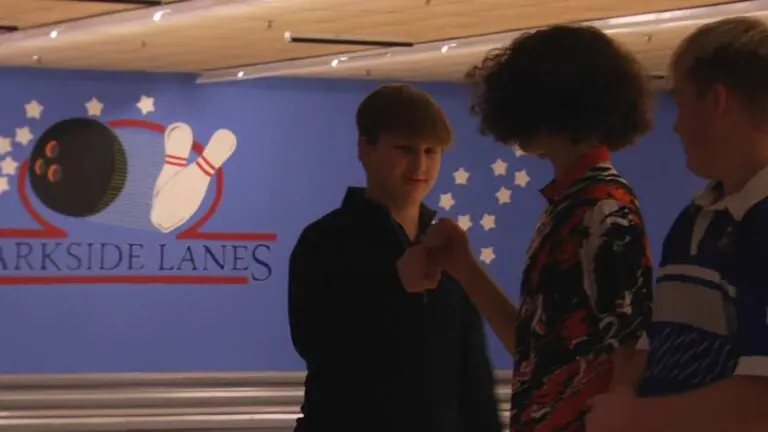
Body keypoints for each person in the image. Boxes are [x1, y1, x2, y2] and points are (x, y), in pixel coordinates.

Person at [397, 25, 655, 431]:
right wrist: (464, 267)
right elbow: (536, 353)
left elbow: (631, 349)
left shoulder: (603, 209)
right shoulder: (571, 204)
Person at [586, 16, 768, 432]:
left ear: (716, 101)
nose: (676, 124)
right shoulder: (696, 218)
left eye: (681, 101)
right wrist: (624, 391)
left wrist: (636, 417)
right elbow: (660, 337)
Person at [288, 84, 502, 432]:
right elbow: (320, 346)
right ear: (365, 149)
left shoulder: (445, 245)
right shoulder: (325, 241)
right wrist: (394, 287)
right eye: (405, 149)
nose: (420, 165)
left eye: (431, 152)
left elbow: (473, 370)